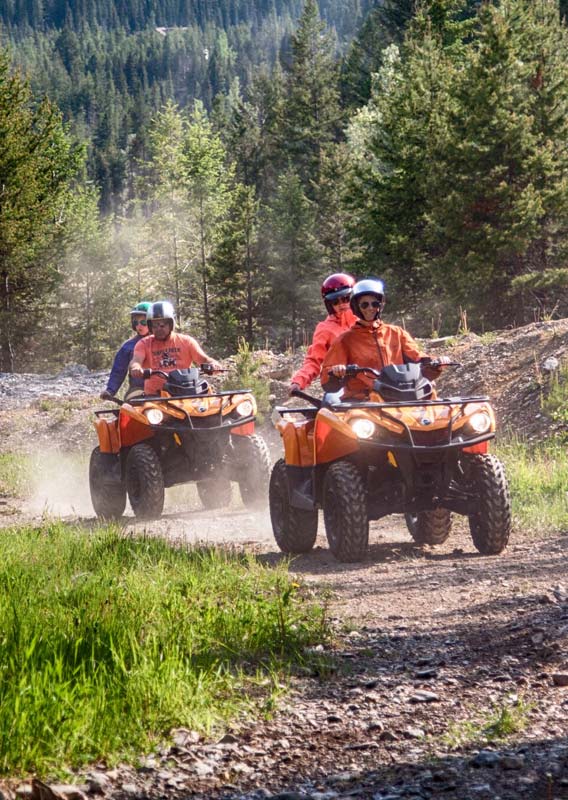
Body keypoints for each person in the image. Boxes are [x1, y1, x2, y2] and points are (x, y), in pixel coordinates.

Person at [321, 278, 450, 397]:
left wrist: (436, 363)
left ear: (380, 306)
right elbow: (327, 377)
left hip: (400, 396)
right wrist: (336, 372)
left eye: (374, 304)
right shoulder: (345, 340)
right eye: (364, 305)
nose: (370, 308)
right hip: (362, 401)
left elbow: (418, 358)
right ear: (356, 307)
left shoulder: (396, 333)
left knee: (437, 411)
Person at [129, 300, 221, 395]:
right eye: (155, 325)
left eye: (162, 325)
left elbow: (203, 359)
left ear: (171, 324)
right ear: (150, 326)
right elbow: (136, 360)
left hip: (186, 392)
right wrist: (136, 368)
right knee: (141, 409)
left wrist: (213, 364)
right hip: (156, 397)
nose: (159, 329)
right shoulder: (143, 343)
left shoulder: (186, 341)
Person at [289, 272, 358, 395]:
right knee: (331, 405)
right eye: (335, 301)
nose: (342, 304)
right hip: (340, 386)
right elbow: (314, 360)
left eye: (346, 299)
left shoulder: (366, 323)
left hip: (370, 384)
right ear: (329, 304)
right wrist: (299, 381)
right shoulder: (325, 329)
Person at [100, 301, 152, 401]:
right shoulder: (128, 346)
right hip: (139, 389)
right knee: (132, 408)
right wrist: (110, 390)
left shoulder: (163, 342)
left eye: (143, 322)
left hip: (164, 388)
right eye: (136, 322)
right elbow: (118, 370)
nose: (139, 326)